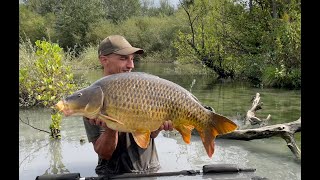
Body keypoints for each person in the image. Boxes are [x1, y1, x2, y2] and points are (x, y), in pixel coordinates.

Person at [83, 35, 174, 176]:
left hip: (150, 169)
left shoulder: (143, 88)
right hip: (113, 173)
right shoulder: (92, 98)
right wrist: (110, 127)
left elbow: (151, 134)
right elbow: (104, 153)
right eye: (123, 58)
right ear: (104, 60)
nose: (131, 65)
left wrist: (161, 126)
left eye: (132, 59)